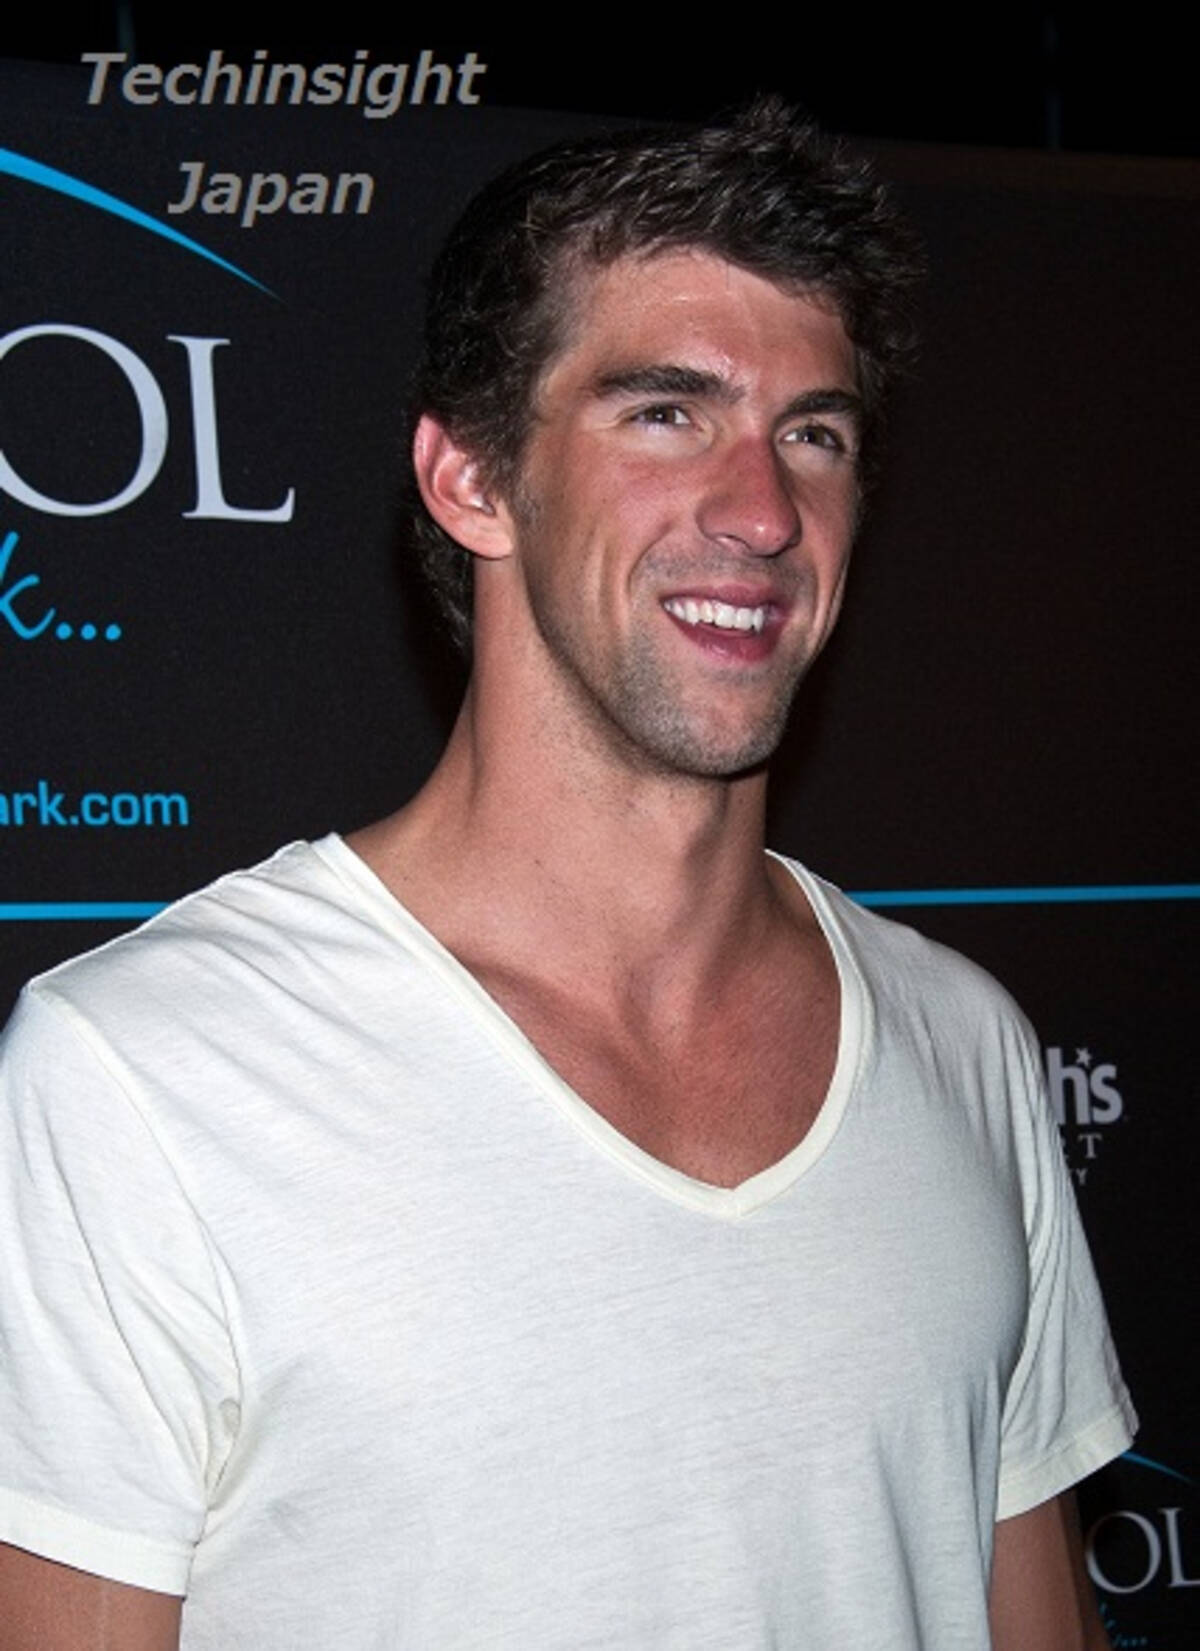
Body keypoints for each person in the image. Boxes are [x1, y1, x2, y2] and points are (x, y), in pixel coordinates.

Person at [0, 100, 1135, 1649]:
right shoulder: (143, 1081)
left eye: (815, 434)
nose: (764, 511)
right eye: (665, 414)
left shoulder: (963, 1042)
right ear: (471, 480)